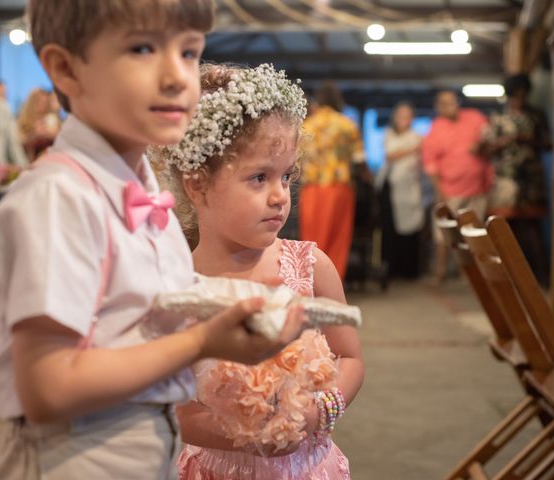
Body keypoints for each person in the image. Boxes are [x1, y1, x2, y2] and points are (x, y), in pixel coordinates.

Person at [0, 2, 305, 479]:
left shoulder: (145, 197)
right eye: (143, 49)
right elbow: (48, 390)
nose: (176, 77)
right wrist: (201, 342)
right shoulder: (59, 199)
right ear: (66, 69)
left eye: (189, 52)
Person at [152, 63, 364, 479]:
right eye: (259, 178)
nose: (279, 196)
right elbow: (178, 410)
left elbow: (351, 356)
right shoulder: (175, 289)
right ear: (197, 185)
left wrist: (319, 412)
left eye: (286, 176)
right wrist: (250, 434)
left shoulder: (310, 268)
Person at [481, 73, 551, 285]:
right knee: (506, 226)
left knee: (532, 226)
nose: (520, 98)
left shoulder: (536, 116)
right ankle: (508, 273)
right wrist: (505, 141)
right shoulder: (498, 117)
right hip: (506, 178)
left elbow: (548, 144)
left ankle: (540, 274)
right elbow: (486, 148)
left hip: (530, 177)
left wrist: (528, 140)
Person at [421, 90, 492, 284]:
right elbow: (430, 165)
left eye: (453, 101)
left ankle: (472, 273)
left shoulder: (475, 118)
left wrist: (481, 146)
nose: (451, 105)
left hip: (478, 188)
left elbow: (490, 140)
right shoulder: (435, 130)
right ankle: (441, 271)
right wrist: (439, 192)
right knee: (443, 234)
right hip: (450, 189)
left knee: (474, 232)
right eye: (445, 103)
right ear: (438, 107)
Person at [299, 81, 366, 280]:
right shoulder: (347, 124)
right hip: (339, 187)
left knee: (312, 236)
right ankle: (333, 282)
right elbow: (359, 159)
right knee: (338, 236)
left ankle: (308, 282)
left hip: (311, 187)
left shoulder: (307, 125)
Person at [375, 102, 424, 280]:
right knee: (390, 229)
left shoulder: (416, 137)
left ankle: (410, 270)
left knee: (411, 229)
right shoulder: (389, 135)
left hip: (409, 188)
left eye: (407, 116)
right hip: (390, 187)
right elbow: (390, 154)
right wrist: (412, 149)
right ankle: (391, 268)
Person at [18, 88, 56, 161]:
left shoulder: (51, 119)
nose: (43, 106)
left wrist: (49, 134)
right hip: (27, 160)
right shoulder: (23, 121)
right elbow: (18, 144)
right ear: (32, 103)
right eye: (39, 102)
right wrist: (34, 135)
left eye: (45, 102)